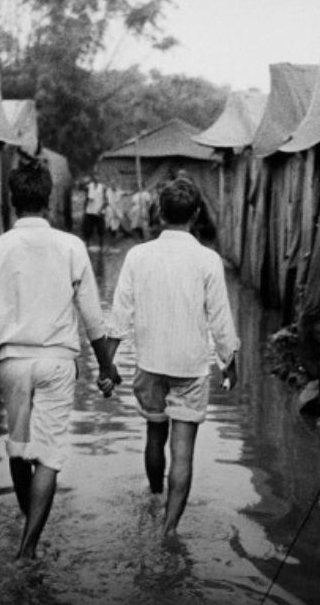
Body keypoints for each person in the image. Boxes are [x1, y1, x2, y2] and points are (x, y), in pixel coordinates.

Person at [0, 162, 120, 561]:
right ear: (48, 199)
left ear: (12, 201)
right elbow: (93, 318)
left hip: (11, 363)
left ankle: (28, 526)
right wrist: (106, 368)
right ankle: (29, 547)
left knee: (18, 447)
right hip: (58, 364)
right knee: (48, 454)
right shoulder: (71, 247)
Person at [106, 176, 240, 537]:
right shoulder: (208, 260)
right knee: (183, 453)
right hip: (191, 367)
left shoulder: (138, 255)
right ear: (196, 214)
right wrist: (229, 360)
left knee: (154, 435)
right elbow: (220, 319)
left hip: (150, 362)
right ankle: (168, 531)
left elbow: (120, 315)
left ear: (159, 213)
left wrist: (108, 364)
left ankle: (153, 497)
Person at [82, 173, 107, 245]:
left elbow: (106, 200)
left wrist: (101, 209)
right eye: (95, 176)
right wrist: (86, 181)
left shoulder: (103, 187)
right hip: (90, 211)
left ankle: (101, 243)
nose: (96, 178)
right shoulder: (89, 186)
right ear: (92, 178)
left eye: (98, 176)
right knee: (88, 228)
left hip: (99, 211)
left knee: (100, 228)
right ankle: (87, 242)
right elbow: (80, 187)